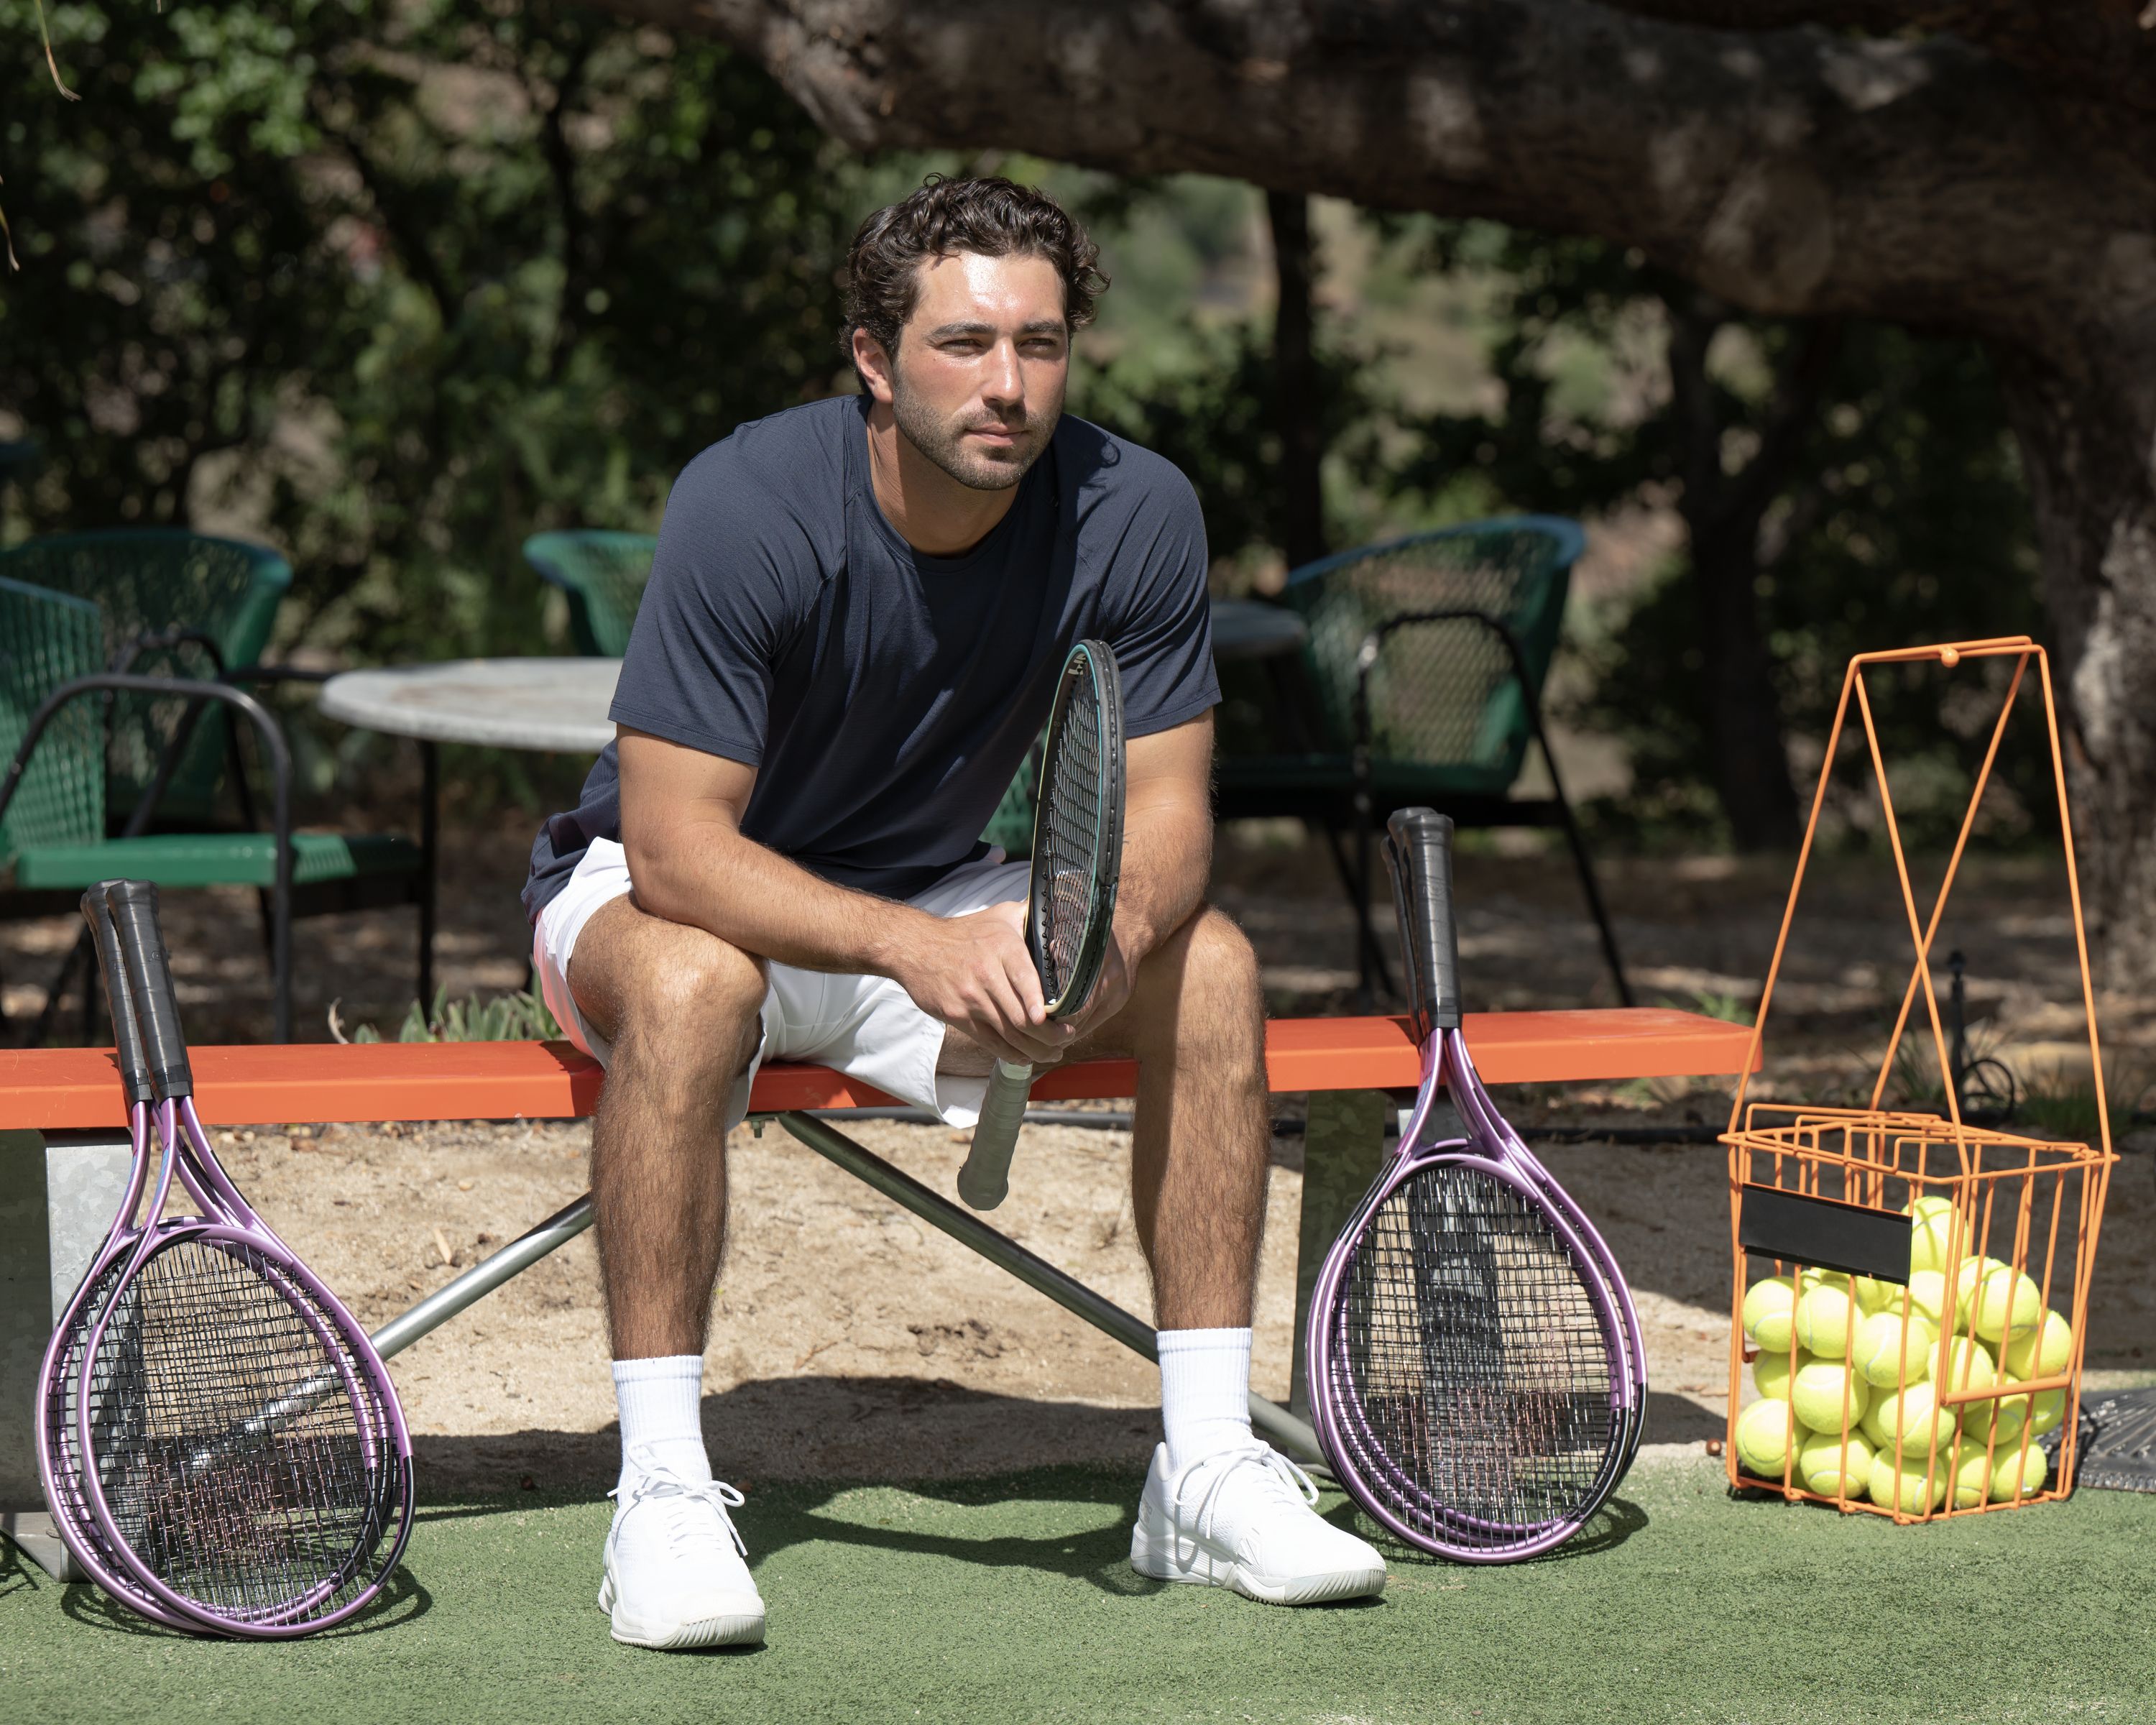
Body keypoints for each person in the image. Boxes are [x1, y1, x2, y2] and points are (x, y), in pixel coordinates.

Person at [524, 175, 1386, 1652]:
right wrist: (918, 948)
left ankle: (1201, 1464)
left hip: (918, 896)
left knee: (1214, 964)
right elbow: (673, 851)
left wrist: (1104, 940)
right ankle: (660, 1492)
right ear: (873, 357)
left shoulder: (1137, 509)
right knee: (690, 987)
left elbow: (1174, 821)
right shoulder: (746, 500)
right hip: (664, 897)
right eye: (966, 344)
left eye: (1040, 346)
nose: (1008, 386)